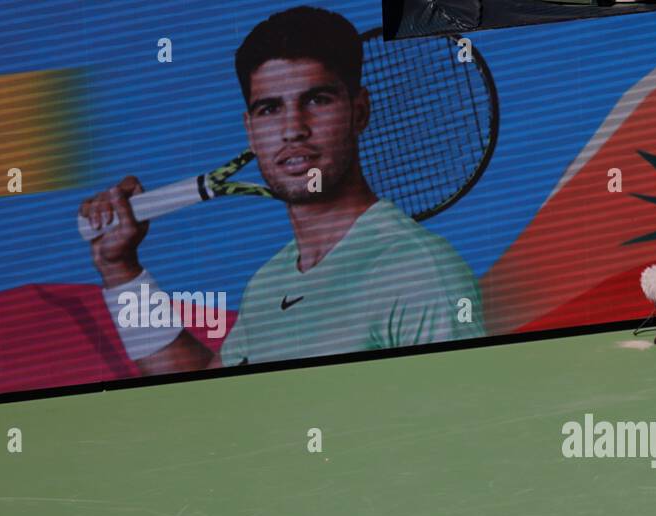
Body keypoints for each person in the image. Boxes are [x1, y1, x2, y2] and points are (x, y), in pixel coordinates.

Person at [78, 5, 484, 374]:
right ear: (251, 131)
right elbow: (206, 397)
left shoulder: (419, 272)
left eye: (317, 100)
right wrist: (121, 271)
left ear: (359, 112)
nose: (293, 129)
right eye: (270, 108)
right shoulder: (268, 285)